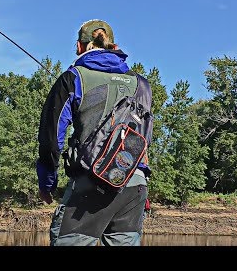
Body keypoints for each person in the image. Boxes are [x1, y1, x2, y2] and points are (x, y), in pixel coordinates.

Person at [36, 19, 153, 246]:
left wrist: (47, 183)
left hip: (91, 184)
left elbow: (50, 140)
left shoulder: (72, 78)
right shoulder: (142, 84)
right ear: (112, 44)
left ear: (80, 47)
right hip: (134, 185)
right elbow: (145, 138)